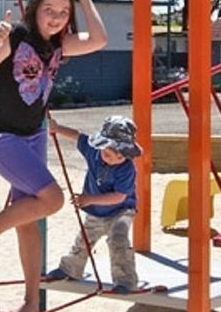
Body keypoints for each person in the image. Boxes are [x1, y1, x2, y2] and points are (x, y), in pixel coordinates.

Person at [0, 0, 109, 312]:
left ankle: (31, 301)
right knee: (53, 199)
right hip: (1, 135)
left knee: (28, 216)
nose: (56, 17)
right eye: (50, 9)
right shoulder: (16, 36)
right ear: (35, 8)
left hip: (32, 135)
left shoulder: (60, 43)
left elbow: (100, 39)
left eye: (63, 11)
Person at [42, 114, 151, 293]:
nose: (107, 156)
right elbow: (78, 136)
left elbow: (119, 197)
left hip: (121, 210)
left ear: (125, 153)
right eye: (105, 152)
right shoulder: (94, 152)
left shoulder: (127, 169)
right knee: (84, 239)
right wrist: (57, 128)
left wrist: (89, 199)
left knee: (117, 239)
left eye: (114, 154)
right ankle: (71, 268)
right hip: (96, 211)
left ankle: (125, 281)